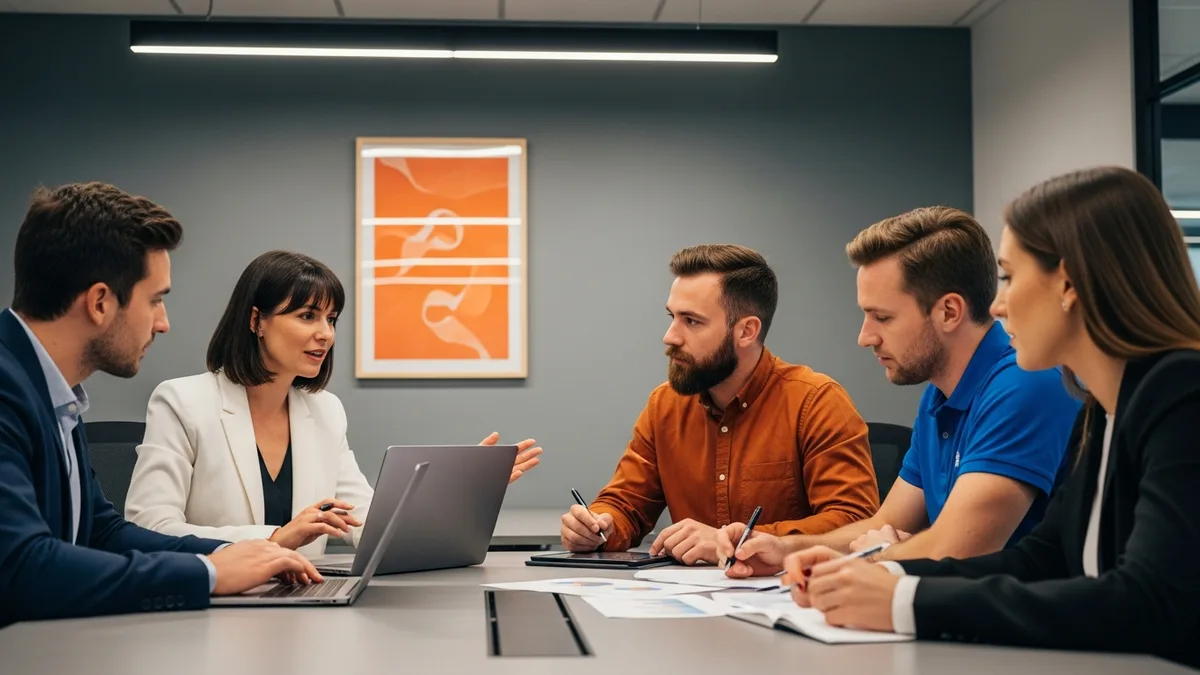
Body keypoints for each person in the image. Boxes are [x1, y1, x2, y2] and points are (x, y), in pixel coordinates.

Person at [779, 166, 1200, 668]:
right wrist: (880, 575)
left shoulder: (1181, 393)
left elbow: (1148, 602)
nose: (998, 305)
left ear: (1069, 284)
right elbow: (1041, 559)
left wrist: (903, 600)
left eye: (1009, 277)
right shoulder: (1102, 410)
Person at [0, 182, 322, 627]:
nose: (163, 323)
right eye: (155, 300)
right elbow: (21, 568)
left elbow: (102, 532)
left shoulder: (52, 394)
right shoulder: (7, 390)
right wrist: (208, 574)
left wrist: (233, 554)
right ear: (99, 302)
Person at [717, 207, 1080, 576]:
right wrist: (784, 549)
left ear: (949, 312)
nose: (865, 337)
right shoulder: (939, 396)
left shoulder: (1025, 383)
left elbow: (960, 548)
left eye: (883, 317)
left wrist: (886, 554)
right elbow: (885, 523)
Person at [125, 250, 542, 559]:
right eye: (308, 316)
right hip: (217, 606)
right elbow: (149, 528)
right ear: (256, 321)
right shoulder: (182, 402)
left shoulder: (325, 411)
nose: (326, 333)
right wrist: (274, 539)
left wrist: (457, 493)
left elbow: (367, 523)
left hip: (308, 607)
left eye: (332, 319)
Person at [559, 244, 879, 564]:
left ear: (746, 331)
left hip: (790, 588)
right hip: (685, 591)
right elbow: (626, 503)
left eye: (691, 321)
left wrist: (736, 542)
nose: (670, 337)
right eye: (672, 317)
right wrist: (599, 525)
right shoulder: (665, 405)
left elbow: (854, 522)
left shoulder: (816, 401)